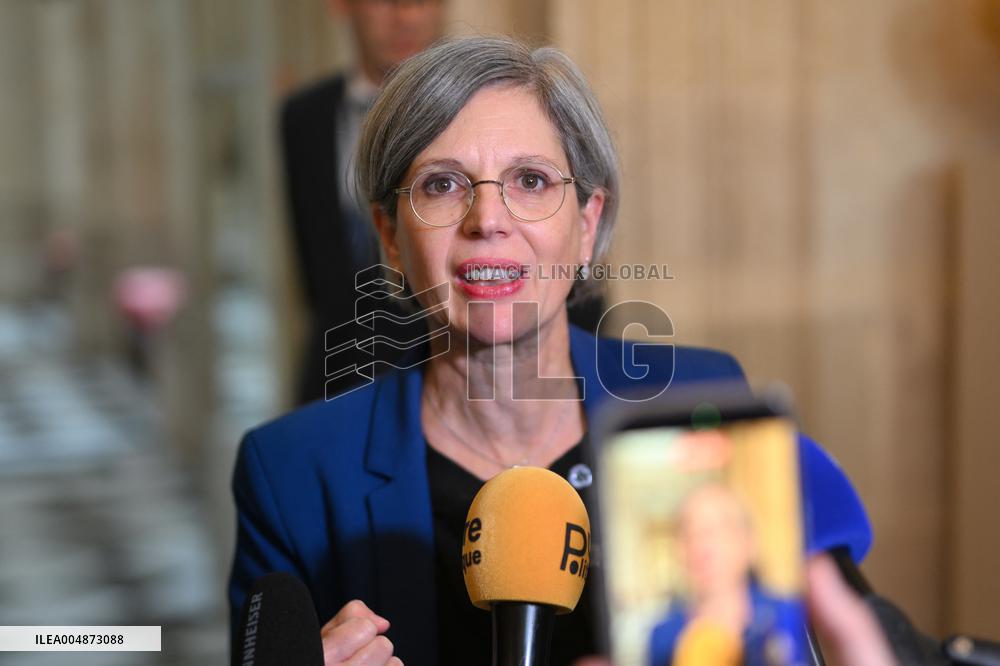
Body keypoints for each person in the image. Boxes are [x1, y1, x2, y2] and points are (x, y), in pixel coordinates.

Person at [230, 37, 886, 665]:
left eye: (532, 181)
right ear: (391, 239)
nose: (488, 220)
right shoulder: (290, 475)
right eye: (442, 184)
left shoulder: (704, 405)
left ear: (587, 226)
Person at [280, 0, 445, 404]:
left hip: (450, 372)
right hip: (339, 374)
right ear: (342, 6)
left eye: (423, 1)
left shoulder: (479, 110)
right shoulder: (304, 118)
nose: (406, 16)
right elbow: (314, 267)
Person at [648, 484, 806, 666]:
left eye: (714, 531)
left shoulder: (790, 617)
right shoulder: (662, 640)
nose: (700, 546)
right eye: (688, 533)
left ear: (749, 542)